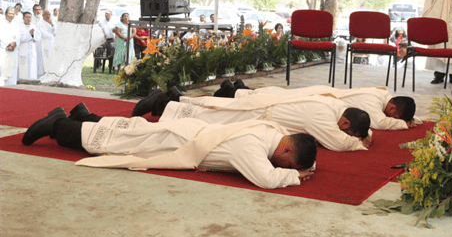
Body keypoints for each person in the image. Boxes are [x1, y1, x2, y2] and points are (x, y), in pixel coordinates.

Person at [21, 103, 318, 190]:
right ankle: (58, 126)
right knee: (117, 144)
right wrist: (295, 176)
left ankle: (83, 115)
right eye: (286, 163)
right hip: (181, 142)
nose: (281, 166)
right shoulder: (252, 147)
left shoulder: (272, 132)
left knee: (132, 130)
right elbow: (266, 179)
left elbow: (297, 151)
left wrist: (305, 166)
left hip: (190, 134)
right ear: (288, 151)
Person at [132, 89, 372, 152]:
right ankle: (160, 104)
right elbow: (337, 143)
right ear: (347, 124)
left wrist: (365, 135)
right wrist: (357, 144)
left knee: (214, 108)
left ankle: (173, 97)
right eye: (348, 132)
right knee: (209, 116)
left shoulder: (333, 108)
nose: (344, 134)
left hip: (264, 107)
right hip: (260, 113)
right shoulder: (323, 119)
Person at [214, 82, 419, 130]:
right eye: (396, 117)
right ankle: (232, 92)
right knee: (276, 99)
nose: (392, 118)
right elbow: (380, 123)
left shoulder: (383, 94)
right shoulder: (373, 103)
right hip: (322, 97)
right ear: (392, 109)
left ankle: (240, 89)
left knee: (280, 95)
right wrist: (405, 125)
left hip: (326, 94)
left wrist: (412, 118)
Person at [0, 7, 21, 86]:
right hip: (3, 49)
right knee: (3, 68)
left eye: (13, 14)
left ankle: (11, 86)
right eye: (10, 13)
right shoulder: (1, 23)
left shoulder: (16, 25)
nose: (12, 15)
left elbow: (18, 36)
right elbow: (1, 35)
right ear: (6, 14)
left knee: (12, 69)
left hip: (13, 50)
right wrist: (8, 45)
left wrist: (14, 44)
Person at [18, 12, 40, 81]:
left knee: (32, 67)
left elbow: (38, 38)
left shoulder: (34, 26)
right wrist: (30, 35)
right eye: (26, 17)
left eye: (29, 17)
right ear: (23, 18)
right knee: (23, 67)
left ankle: (32, 80)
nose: (28, 19)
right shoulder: (19, 26)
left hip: (32, 50)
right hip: (23, 49)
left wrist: (33, 35)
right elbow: (20, 38)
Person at [37, 10, 56, 76]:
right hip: (45, 43)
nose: (48, 16)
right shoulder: (39, 24)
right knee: (45, 58)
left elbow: (56, 33)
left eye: (49, 14)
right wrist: (51, 36)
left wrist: (52, 25)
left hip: (52, 43)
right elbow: (43, 34)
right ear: (43, 16)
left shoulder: (52, 22)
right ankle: (45, 73)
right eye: (46, 14)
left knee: (51, 58)